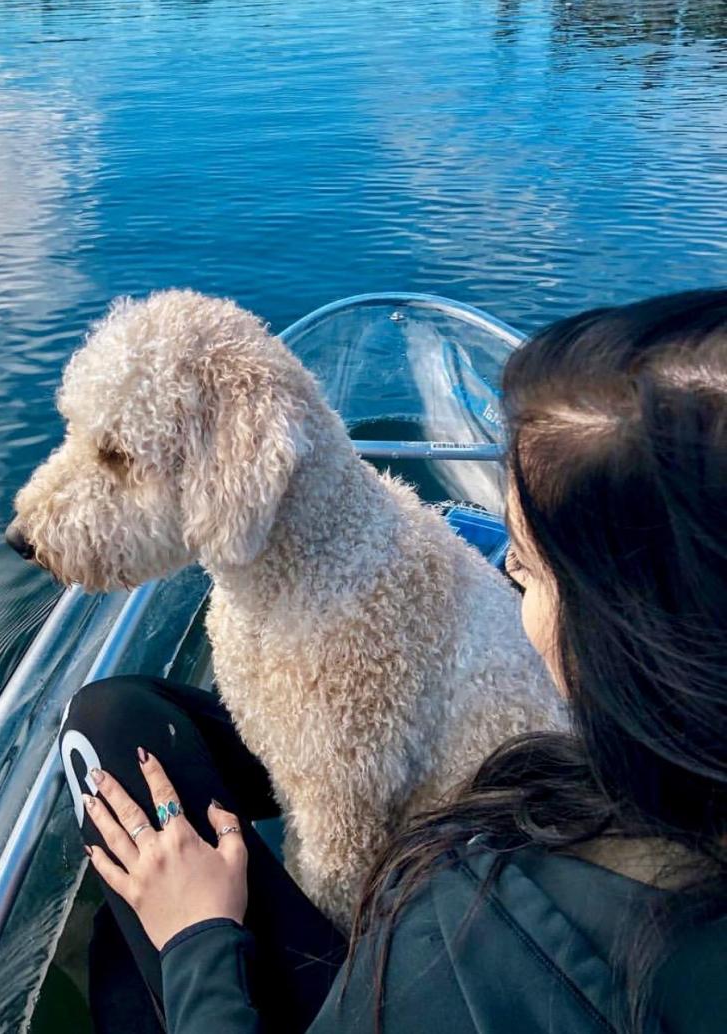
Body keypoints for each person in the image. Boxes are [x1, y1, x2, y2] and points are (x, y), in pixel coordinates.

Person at [63, 287, 727, 1033]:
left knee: (106, 769)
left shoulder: (472, 953)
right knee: (115, 719)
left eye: (530, 572)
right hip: (476, 818)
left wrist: (197, 941)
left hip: (381, 933)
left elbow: (342, 864)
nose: (502, 571)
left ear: (626, 631)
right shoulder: (607, 789)